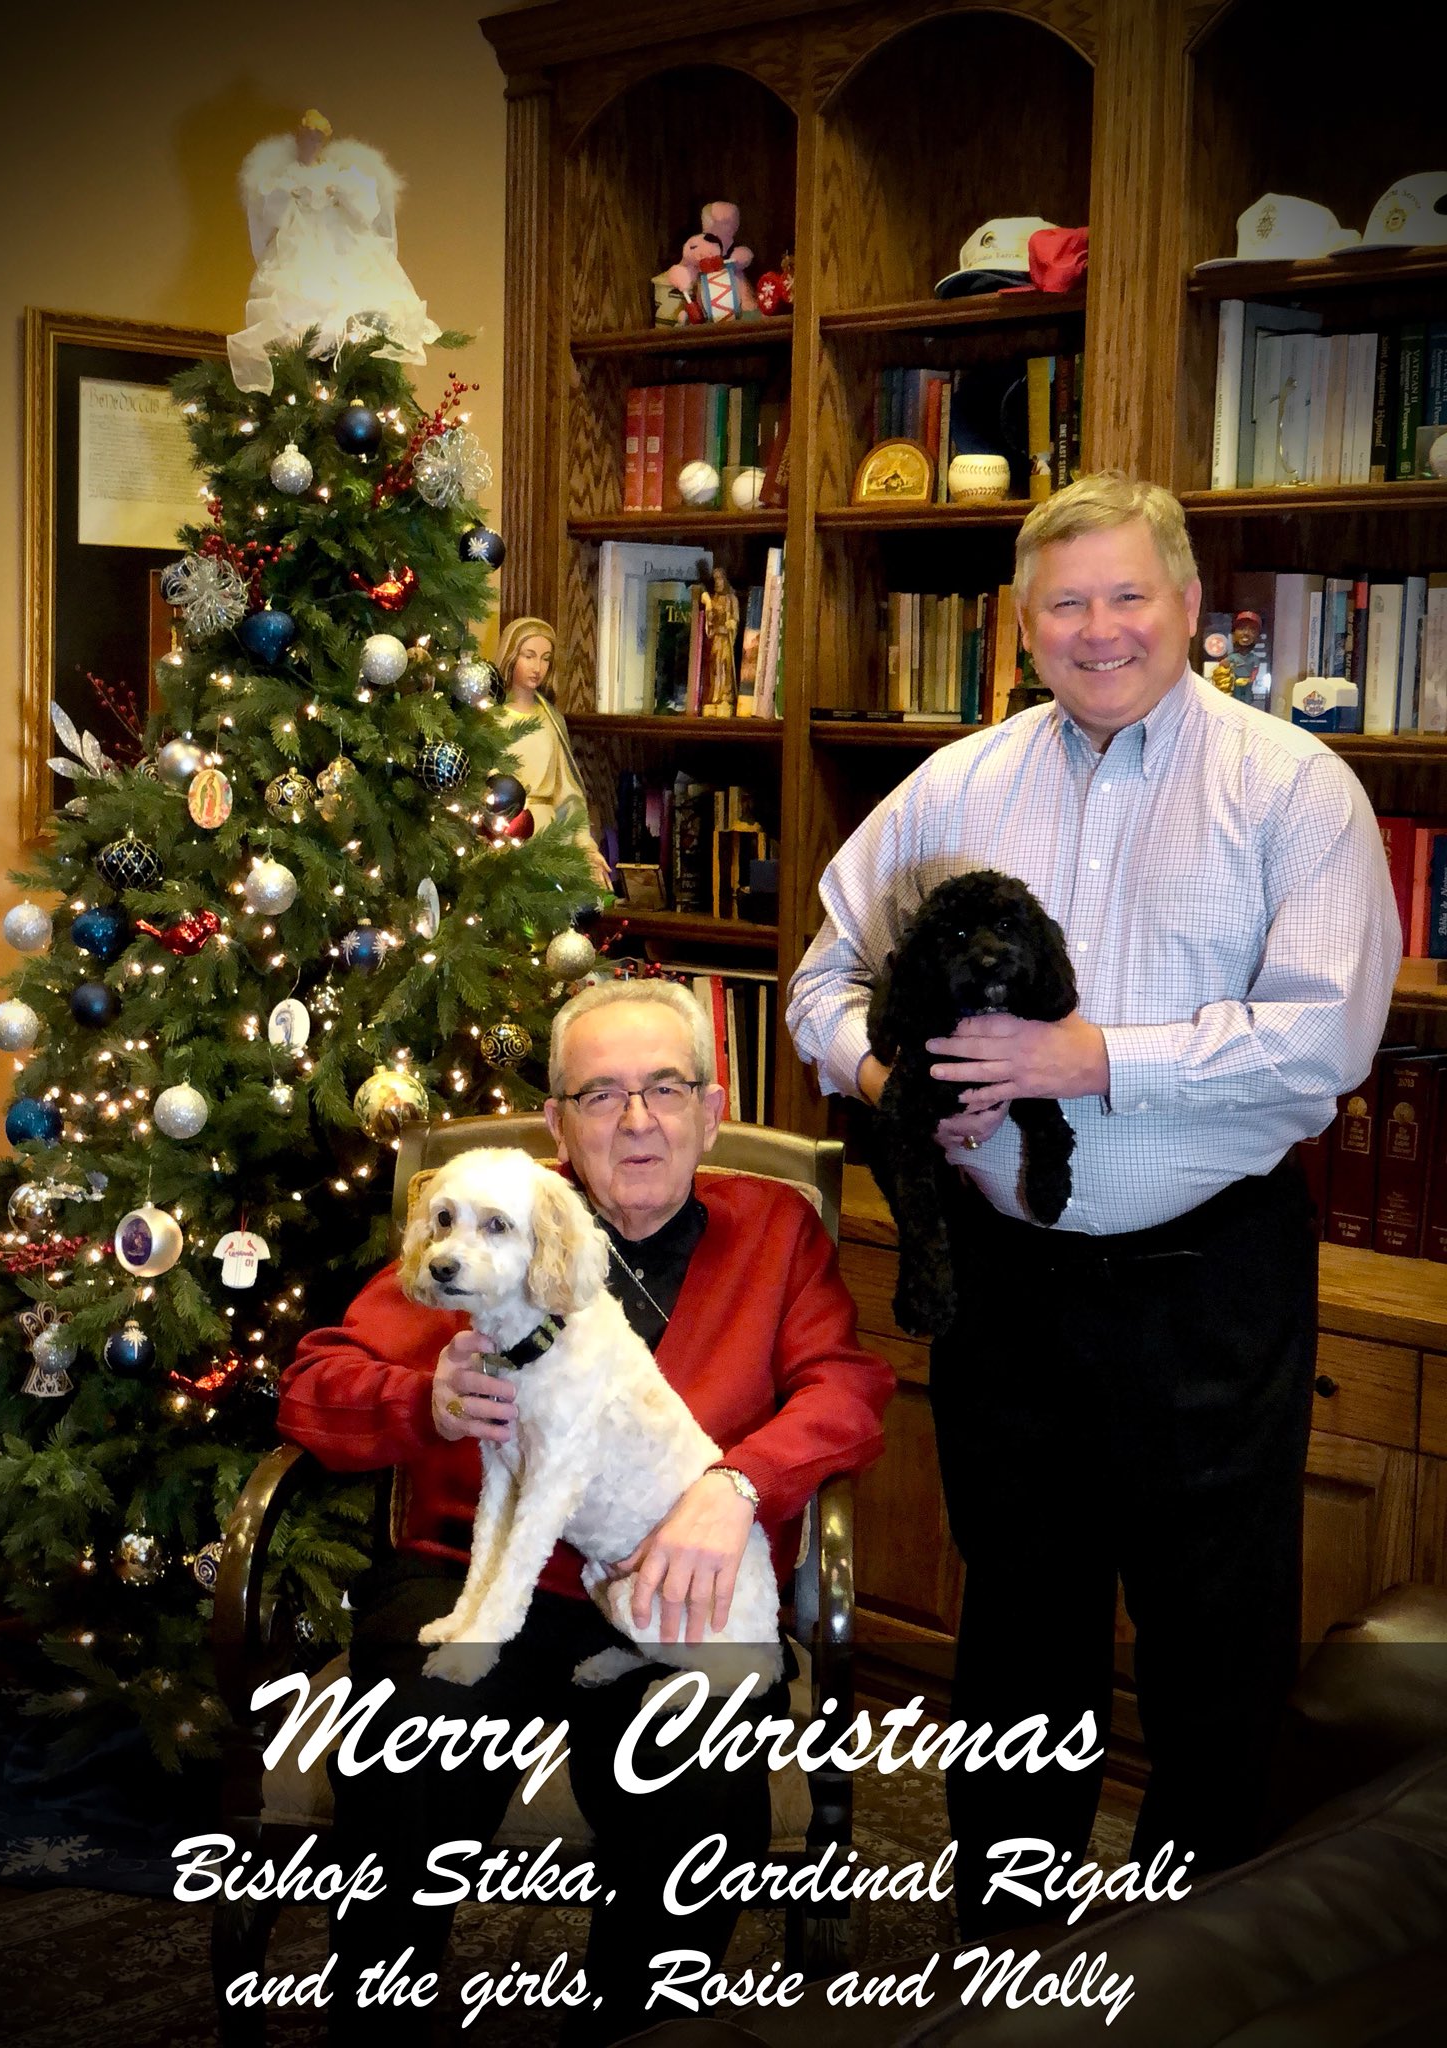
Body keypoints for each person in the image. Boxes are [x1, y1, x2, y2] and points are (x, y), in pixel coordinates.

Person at [786, 472, 1399, 1937]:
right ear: (1023, 623)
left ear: (1190, 608)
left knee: (1216, 1634)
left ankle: (1206, 1962)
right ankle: (1006, 1953)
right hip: (1004, 1282)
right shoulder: (956, 789)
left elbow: (1327, 1036)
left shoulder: (1294, 789)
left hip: (1210, 1279)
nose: (1101, 628)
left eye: (1131, 595)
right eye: (1067, 602)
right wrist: (888, 1079)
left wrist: (1089, 1058)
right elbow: (820, 979)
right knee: (1020, 1627)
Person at [279, 977, 894, 2042]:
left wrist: (731, 1484)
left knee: (699, 1773)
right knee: (409, 1735)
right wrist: (417, 1400)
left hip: (675, 1576)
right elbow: (313, 1383)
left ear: (713, 1107)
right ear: (559, 1120)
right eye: (601, 1094)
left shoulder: (775, 1229)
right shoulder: (491, 1212)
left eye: (666, 1086)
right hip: (478, 1569)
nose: (639, 1118)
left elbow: (844, 1390)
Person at [229, 110, 442, 396]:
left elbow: (366, 210)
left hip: (341, 246)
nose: (312, 145)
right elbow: (273, 217)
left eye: (317, 140)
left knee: (350, 294)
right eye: (307, 139)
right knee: (297, 303)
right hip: (300, 245)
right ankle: (312, 344)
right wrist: (293, 190)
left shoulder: (343, 175)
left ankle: (344, 342)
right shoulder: (286, 178)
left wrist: (338, 190)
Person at [494, 614, 611, 887]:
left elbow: (568, 793)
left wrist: (585, 845)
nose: (538, 667)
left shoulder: (550, 718)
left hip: (548, 834)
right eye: (529, 655)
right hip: (502, 835)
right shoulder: (492, 717)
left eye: (546, 658)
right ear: (511, 656)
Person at [700, 568, 739, 716]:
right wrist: (709, 609)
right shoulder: (713, 599)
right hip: (716, 636)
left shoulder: (732, 599)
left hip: (726, 637)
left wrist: (732, 623)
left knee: (725, 663)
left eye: (720, 579)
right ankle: (713, 696)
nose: (718, 582)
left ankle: (726, 696)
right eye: (715, 580)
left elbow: (735, 618)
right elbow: (709, 620)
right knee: (714, 664)